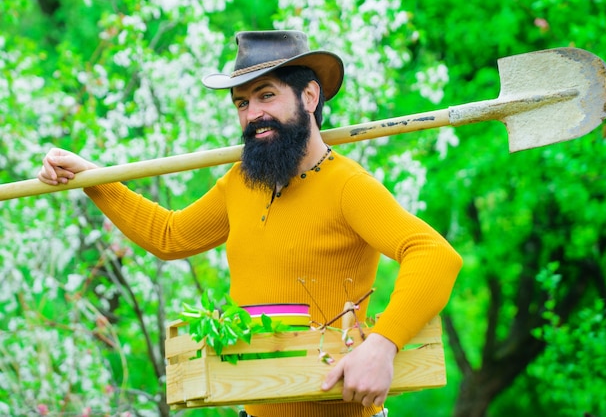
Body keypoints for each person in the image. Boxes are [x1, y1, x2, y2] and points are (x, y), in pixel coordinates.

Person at [38, 30, 462, 417]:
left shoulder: (348, 186)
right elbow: (168, 236)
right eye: (242, 103)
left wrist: (383, 345)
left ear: (309, 97)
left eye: (266, 96)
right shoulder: (240, 182)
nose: (252, 114)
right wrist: (92, 178)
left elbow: (434, 254)